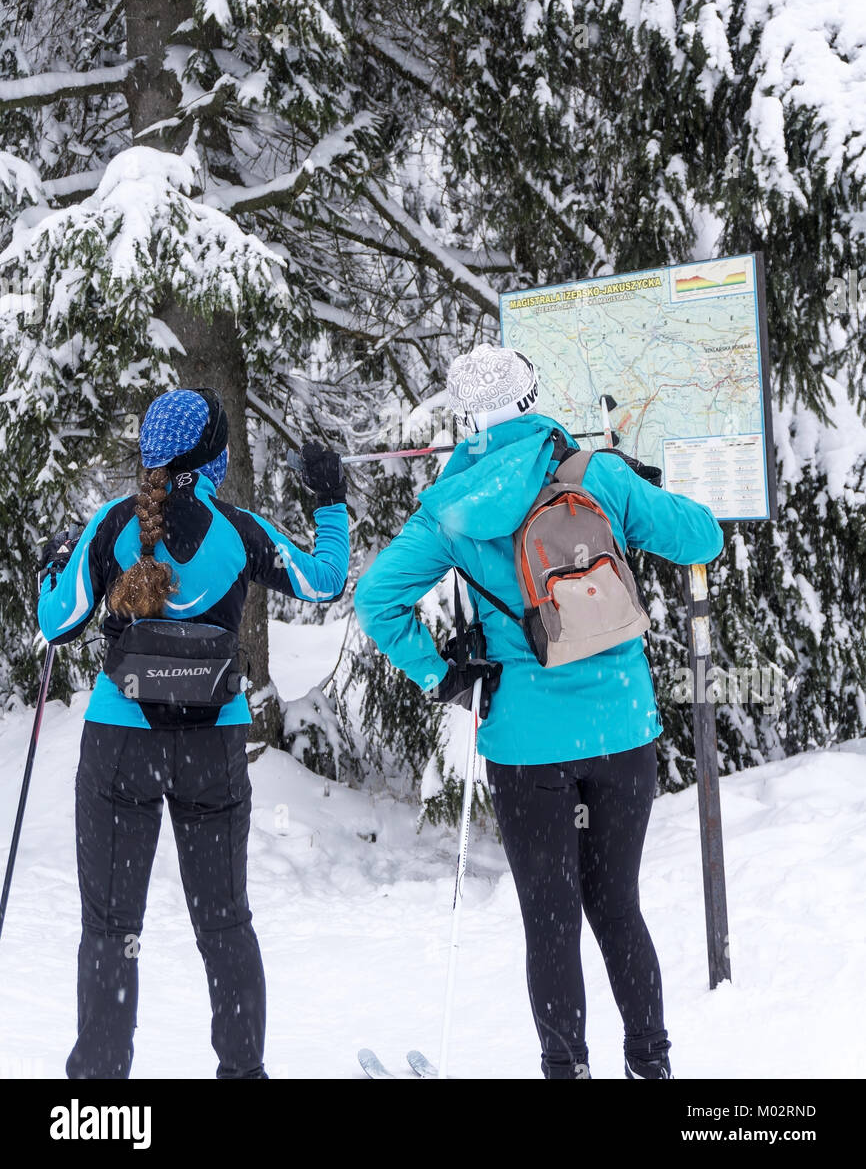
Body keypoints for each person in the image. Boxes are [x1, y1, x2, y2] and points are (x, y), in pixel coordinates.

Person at [353, 344, 724, 1080]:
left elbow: (375, 602)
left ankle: (567, 1069)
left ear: (468, 420)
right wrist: (641, 489)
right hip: (622, 728)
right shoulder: (598, 476)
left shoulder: (451, 512)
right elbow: (702, 537)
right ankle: (650, 1064)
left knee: (550, 918)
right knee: (617, 905)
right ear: (532, 401)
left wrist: (446, 674)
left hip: (525, 741)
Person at [37, 387, 349, 1080]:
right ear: (213, 458)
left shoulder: (113, 525)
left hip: (121, 742)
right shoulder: (240, 531)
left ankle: (99, 1091)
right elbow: (325, 581)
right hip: (212, 744)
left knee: (113, 931)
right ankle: (243, 1072)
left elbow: (57, 622)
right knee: (224, 924)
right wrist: (328, 499)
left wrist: (52, 566)